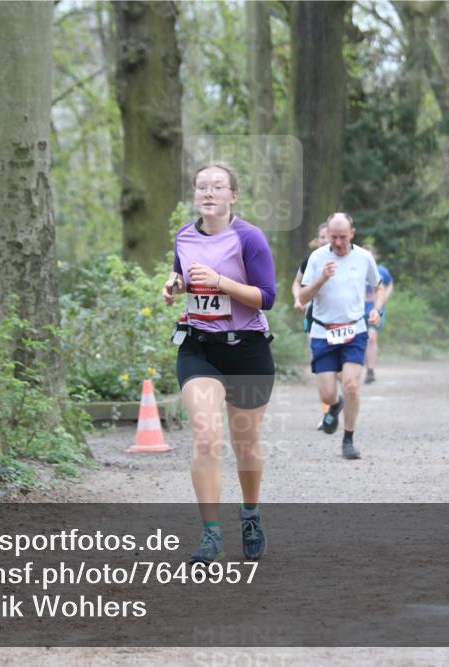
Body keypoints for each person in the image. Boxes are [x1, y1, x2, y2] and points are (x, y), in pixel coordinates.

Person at [162, 161, 276, 563]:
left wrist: (220, 282)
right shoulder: (184, 235)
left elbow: (268, 297)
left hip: (246, 348)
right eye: (202, 187)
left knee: (245, 447)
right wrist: (174, 285)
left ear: (233, 196)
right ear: (195, 194)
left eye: (218, 187)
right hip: (199, 347)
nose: (208, 193)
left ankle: (250, 513)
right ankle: (211, 535)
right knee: (207, 436)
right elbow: (182, 277)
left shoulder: (250, 238)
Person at [299, 212, 383, 459]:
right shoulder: (317, 258)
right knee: (327, 394)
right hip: (323, 332)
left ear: (352, 234)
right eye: (333, 237)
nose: (336, 242)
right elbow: (303, 297)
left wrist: (376, 309)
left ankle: (348, 440)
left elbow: (377, 287)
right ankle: (334, 406)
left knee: (352, 385)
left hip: (354, 330)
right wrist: (322, 278)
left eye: (342, 237)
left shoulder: (364, 258)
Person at [291, 223, 333, 429]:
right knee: (321, 365)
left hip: (342, 321)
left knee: (341, 373)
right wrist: (298, 299)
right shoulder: (311, 260)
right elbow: (296, 283)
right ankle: (326, 413)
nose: (325, 240)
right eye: (322, 237)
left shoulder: (348, 258)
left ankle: (337, 400)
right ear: (317, 240)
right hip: (315, 318)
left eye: (329, 236)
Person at [363, 245, 393, 385]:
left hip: (376, 309)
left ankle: (370, 371)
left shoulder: (381, 271)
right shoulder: (356, 270)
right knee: (360, 340)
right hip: (357, 311)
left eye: (370, 256)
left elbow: (390, 283)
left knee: (372, 337)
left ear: (375, 256)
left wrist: (384, 297)